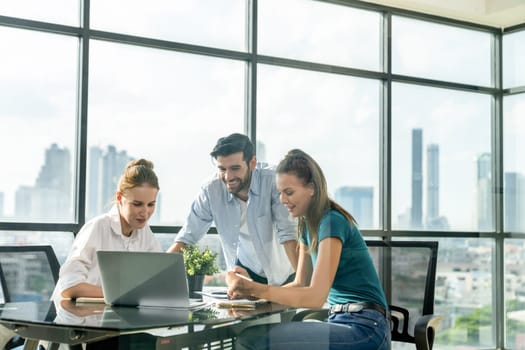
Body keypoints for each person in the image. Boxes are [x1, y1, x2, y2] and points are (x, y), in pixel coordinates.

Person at [226, 149, 391, 350]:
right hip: (340, 321)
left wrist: (254, 288)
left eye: (289, 192)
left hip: (365, 328)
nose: (282, 200)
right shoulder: (307, 226)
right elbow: (300, 283)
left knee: (254, 340)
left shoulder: (331, 221)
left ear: (311, 188)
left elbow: (315, 297)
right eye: (280, 193)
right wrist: (254, 297)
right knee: (252, 335)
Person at [167, 133, 298, 285]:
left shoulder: (273, 181)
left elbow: (289, 234)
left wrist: (305, 285)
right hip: (244, 273)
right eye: (222, 169)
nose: (228, 177)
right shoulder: (211, 190)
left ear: (252, 163)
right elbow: (187, 238)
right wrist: (155, 278)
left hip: (284, 274)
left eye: (235, 168)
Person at [52, 158, 162, 300]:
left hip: (113, 317)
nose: (145, 212)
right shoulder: (97, 227)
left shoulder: (144, 233)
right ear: (119, 198)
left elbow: (159, 279)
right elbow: (69, 286)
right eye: (137, 204)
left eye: (151, 204)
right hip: (76, 318)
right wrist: (124, 294)